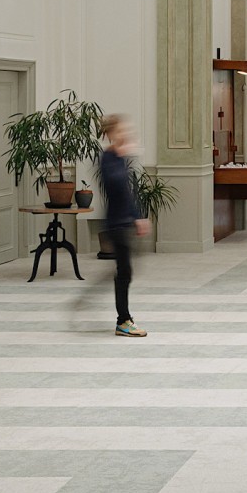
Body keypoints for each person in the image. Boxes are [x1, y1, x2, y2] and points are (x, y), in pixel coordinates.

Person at [96, 115, 146, 337]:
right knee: (124, 271)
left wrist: (138, 217)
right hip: (116, 223)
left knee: (124, 271)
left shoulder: (119, 158)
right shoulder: (108, 158)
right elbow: (114, 185)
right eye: (121, 131)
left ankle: (123, 319)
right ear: (112, 134)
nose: (125, 134)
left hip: (124, 221)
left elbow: (128, 193)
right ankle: (123, 320)